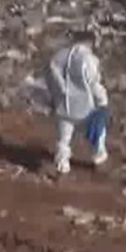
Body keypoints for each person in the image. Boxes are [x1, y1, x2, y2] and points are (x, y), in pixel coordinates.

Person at [44, 31, 109, 175]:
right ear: (90, 43)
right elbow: (93, 83)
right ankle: (98, 157)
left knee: (64, 139)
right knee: (99, 131)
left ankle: (62, 165)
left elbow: (50, 76)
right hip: (84, 107)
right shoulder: (88, 59)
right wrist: (102, 101)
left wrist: (55, 95)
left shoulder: (59, 56)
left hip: (63, 106)